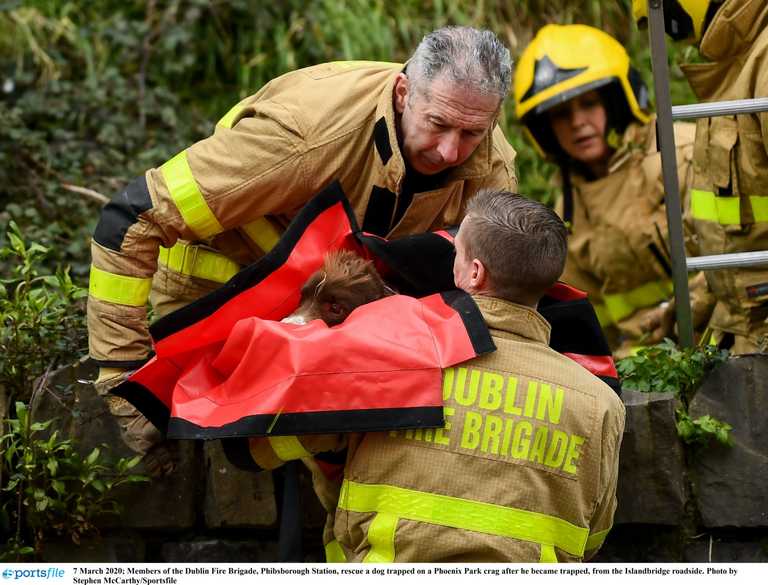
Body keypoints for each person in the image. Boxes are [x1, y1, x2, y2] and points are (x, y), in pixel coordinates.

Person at [88, 26, 517, 456]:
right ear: (404, 93)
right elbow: (133, 218)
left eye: (472, 134)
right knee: (253, 438)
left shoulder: (491, 162)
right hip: (220, 302)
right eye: (438, 124)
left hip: (345, 311)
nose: (449, 152)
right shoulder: (306, 134)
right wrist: (123, 379)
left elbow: (498, 296)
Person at [243, 190, 626, 562]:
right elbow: (593, 532)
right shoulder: (601, 405)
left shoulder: (386, 356)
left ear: (474, 273)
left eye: (456, 252)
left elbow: (280, 437)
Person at [514, 23, 712, 357]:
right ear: (544, 129)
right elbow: (585, 323)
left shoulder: (682, 154)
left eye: (589, 104)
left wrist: (684, 312)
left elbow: (732, 259)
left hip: (717, 336)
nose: (577, 123)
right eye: (561, 114)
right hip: (644, 370)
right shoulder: (566, 215)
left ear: (618, 101)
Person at [633, 0, 768, 354]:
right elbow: (745, 238)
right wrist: (695, 298)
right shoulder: (738, 67)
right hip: (744, 335)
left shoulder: (763, 61)